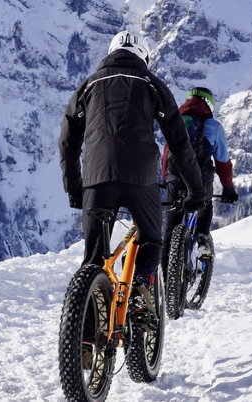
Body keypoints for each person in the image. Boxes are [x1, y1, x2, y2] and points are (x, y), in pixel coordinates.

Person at [59, 31, 207, 293]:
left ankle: (87, 327)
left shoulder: (88, 85)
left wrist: (75, 189)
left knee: (93, 259)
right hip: (141, 178)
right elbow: (179, 143)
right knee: (151, 239)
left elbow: (68, 143)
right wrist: (196, 189)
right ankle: (141, 287)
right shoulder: (153, 84)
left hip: (97, 179)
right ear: (144, 57)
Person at [161, 86, 239, 263]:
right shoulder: (214, 126)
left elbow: (166, 154)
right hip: (201, 179)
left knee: (170, 230)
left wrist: (167, 179)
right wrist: (228, 188)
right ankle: (202, 238)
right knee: (205, 204)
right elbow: (223, 162)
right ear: (209, 105)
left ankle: (165, 282)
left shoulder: (176, 122)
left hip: (174, 178)